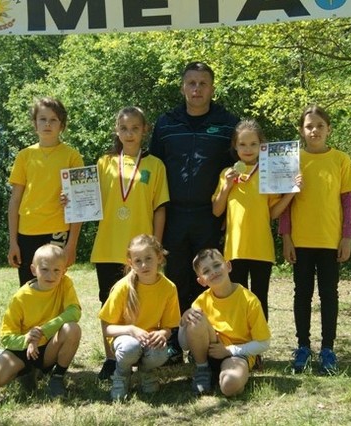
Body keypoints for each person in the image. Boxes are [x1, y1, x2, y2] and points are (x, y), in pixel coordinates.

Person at [150, 61, 239, 363]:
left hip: (209, 215)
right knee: (176, 280)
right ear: (182, 87)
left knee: (211, 278)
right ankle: (175, 342)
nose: (197, 89)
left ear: (212, 88)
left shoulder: (228, 123)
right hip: (173, 214)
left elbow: (242, 165)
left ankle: (213, 341)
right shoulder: (166, 123)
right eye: (191, 83)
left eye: (203, 83)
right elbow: (153, 169)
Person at [279, 104, 351, 375]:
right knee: (301, 295)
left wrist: (347, 236)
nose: (314, 130)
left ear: (329, 129)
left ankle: (328, 349)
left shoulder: (341, 160)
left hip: (329, 241)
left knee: (329, 295)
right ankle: (303, 347)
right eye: (309, 126)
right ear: (301, 131)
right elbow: (285, 205)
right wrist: (286, 238)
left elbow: (347, 202)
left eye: (319, 126)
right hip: (300, 242)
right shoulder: (292, 159)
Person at [91, 106, 170, 380]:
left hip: (143, 252)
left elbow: (160, 207)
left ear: (144, 130)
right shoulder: (104, 163)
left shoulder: (155, 165)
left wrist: (156, 245)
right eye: (124, 128)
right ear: (117, 130)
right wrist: (72, 202)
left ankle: (142, 355)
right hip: (108, 246)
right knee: (109, 303)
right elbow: (89, 200)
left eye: (135, 128)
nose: (129, 133)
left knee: (142, 303)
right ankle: (112, 358)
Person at [212, 119, 300, 321]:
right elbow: (217, 211)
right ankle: (240, 347)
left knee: (260, 299)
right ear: (235, 146)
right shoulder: (227, 174)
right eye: (242, 144)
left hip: (261, 249)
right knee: (237, 299)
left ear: (262, 146)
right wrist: (226, 186)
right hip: (234, 250)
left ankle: (258, 349)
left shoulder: (269, 172)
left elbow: (273, 213)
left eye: (253, 144)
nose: (248, 149)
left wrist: (291, 192)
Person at [0, 244, 82, 399]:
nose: (51, 275)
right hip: (23, 350)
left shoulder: (65, 283)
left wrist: (42, 331)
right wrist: (27, 339)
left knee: (72, 329)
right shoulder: (21, 297)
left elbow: (74, 312)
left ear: (64, 271)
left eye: (57, 270)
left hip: (49, 346)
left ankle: (57, 378)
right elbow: (6, 337)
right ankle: (26, 373)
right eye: (45, 269)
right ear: (34, 270)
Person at [7, 97, 84, 286]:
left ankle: (54, 318)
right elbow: (15, 200)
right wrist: (13, 242)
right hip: (27, 231)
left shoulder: (72, 157)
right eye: (42, 119)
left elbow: (80, 204)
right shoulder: (24, 156)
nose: (47, 124)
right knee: (28, 288)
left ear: (62, 125)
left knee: (54, 286)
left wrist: (71, 245)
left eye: (53, 119)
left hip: (58, 231)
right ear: (35, 124)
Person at [98, 234, 180, 401]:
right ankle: (121, 375)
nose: (144, 265)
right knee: (130, 347)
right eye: (138, 261)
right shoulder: (123, 287)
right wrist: (130, 329)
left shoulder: (169, 288)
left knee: (161, 353)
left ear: (159, 257)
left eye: (149, 258)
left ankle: (146, 371)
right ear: (130, 263)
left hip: (148, 340)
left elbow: (169, 327)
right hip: (124, 340)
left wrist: (163, 335)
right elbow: (107, 329)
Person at [180, 248, 271, 397]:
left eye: (217, 265)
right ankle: (202, 370)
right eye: (206, 271)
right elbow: (184, 344)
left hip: (235, 355)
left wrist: (230, 351)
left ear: (228, 266)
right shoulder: (201, 301)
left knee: (230, 385)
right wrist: (184, 321)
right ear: (201, 281)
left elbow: (264, 343)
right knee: (196, 318)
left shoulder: (249, 300)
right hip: (206, 352)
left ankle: (228, 376)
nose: (214, 272)